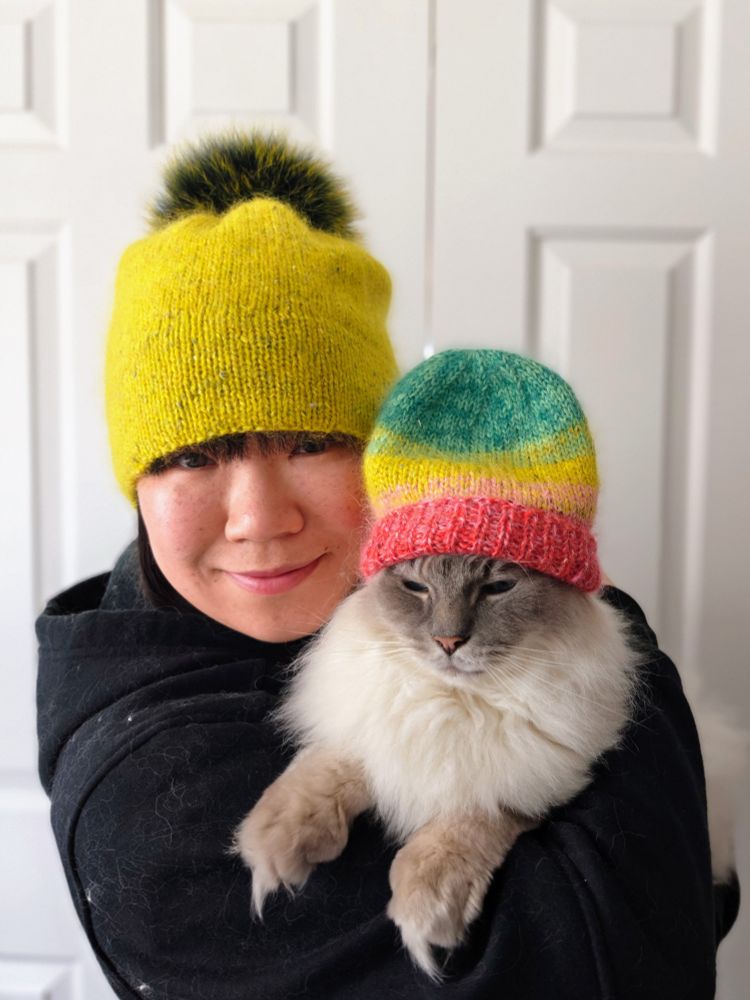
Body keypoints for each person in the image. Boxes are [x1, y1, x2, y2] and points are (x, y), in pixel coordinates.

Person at [36, 133, 739, 1000]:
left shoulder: (350, 601)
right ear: (137, 483)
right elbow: (639, 955)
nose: (260, 518)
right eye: (192, 456)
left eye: (312, 443)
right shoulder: (156, 806)